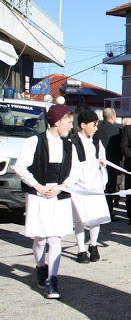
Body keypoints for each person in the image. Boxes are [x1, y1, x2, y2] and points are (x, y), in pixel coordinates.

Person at [13, 104, 80, 299]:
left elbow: (75, 170)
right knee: (40, 237)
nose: (70, 125)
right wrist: (39, 187)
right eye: (68, 121)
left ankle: (52, 279)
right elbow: (20, 167)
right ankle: (41, 267)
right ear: (57, 121)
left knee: (55, 237)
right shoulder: (34, 141)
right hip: (39, 195)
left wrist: (63, 185)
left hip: (59, 195)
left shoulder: (69, 145)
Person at [69, 110, 111, 263]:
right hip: (79, 186)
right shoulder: (72, 142)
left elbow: (103, 160)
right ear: (83, 125)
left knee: (96, 217)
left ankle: (93, 245)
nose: (96, 128)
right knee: (80, 219)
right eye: (94, 125)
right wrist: (94, 163)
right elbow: (73, 166)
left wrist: (101, 174)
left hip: (95, 186)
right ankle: (81, 249)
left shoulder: (96, 141)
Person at [95, 107, 122, 221]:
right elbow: (120, 149)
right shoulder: (117, 131)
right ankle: (108, 212)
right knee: (110, 190)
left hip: (97, 164)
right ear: (113, 117)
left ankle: (98, 212)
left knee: (99, 189)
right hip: (112, 164)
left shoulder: (96, 129)